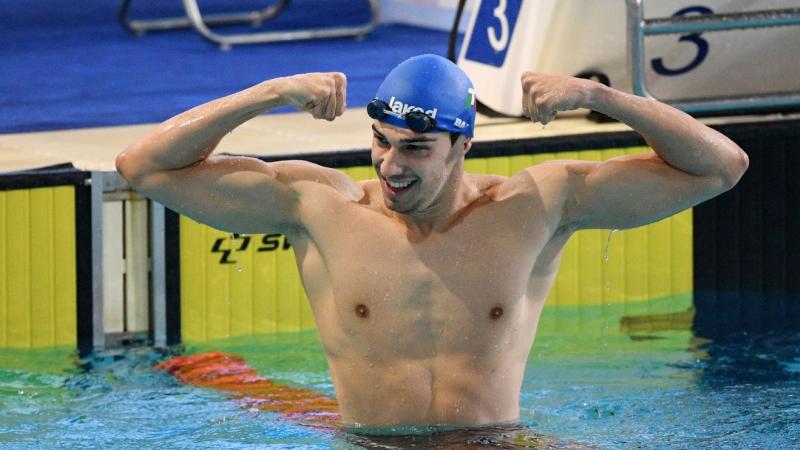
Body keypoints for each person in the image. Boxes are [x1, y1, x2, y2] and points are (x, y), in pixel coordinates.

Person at [115, 54, 748, 430]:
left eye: (416, 148)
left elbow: (722, 167)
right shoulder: (318, 205)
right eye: (381, 141)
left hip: (493, 442)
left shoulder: (537, 206)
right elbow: (142, 167)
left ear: (462, 147)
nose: (391, 165)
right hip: (371, 445)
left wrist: (600, 97)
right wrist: (267, 93)